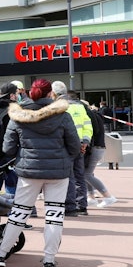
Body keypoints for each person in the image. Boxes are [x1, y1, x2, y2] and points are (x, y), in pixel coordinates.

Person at [0, 79, 79, 267]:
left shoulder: (18, 115)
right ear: (50, 94)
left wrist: (24, 155)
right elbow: (75, 146)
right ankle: (49, 261)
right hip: (58, 173)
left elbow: (8, 148)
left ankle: (0, 254)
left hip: (28, 172)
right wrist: (64, 159)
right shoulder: (63, 115)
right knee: (54, 216)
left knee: (18, 214)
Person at [51, 82, 92, 216]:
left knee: (67, 177)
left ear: (54, 93)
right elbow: (87, 125)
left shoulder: (57, 106)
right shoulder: (80, 106)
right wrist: (85, 141)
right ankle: (82, 206)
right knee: (79, 176)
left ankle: (70, 206)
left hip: (65, 146)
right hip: (80, 145)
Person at [83, 101, 117, 208]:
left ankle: (107, 196)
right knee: (88, 174)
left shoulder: (90, 116)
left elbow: (93, 132)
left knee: (86, 174)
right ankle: (91, 197)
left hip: (95, 147)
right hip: (99, 147)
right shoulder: (96, 115)